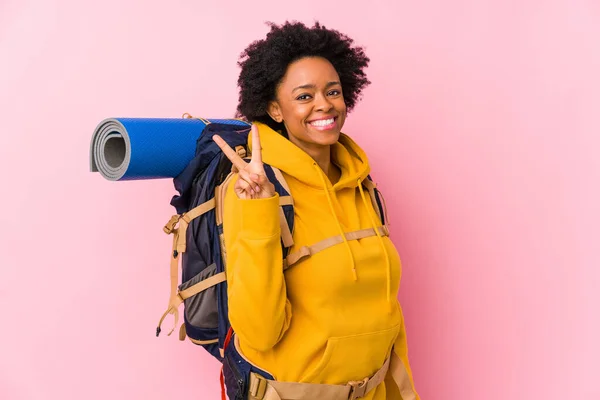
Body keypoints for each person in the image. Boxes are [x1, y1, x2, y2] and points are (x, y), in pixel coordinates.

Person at [213, 21, 420, 400]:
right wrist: (259, 212)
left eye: (332, 91)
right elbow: (259, 331)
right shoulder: (253, 191)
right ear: (275, 109)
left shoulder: (363, 188)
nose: (324, 104)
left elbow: (386, 315)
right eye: (304, 96)